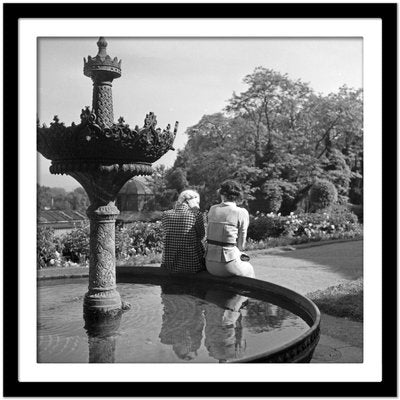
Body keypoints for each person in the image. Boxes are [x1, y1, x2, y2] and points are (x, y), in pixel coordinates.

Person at [205, 180, 255, 278]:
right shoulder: (241, 212)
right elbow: (241, 244)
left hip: (209, 263)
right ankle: (242, 293)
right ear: (238, 195)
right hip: (228, 264)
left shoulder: (213, 209)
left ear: (222, 194)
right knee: (249, 268)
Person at [161, 189, 206, 273]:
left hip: (169, 264)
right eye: (198, 202)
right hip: (192, 265)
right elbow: (201, 236)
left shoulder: (166, 214)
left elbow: (167, 233)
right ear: (192, 202)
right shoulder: (196, 215)